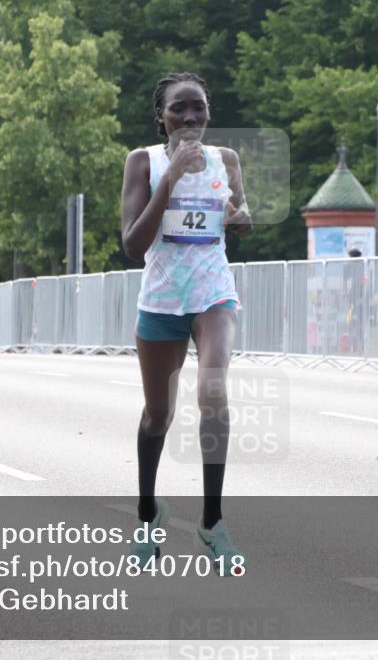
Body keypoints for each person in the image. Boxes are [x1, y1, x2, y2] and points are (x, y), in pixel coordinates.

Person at [119, 72, 251, 576]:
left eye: (199, 107)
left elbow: (238, 214)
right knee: (158, 415)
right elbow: (134, 245)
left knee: (213, 391)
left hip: (213, 294)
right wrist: (170, 177)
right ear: (162, 115)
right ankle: (147, 516)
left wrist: (241, 217)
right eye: (179, 108)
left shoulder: (226, 160)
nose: (190, 117)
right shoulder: (143, 162)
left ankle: (212, 524)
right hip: (161, 299)